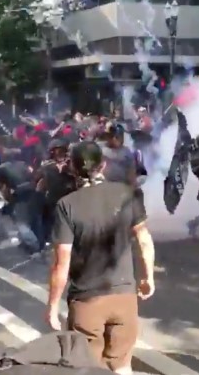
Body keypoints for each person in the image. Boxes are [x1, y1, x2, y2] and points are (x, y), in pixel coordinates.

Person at [46, 141, 155, 374]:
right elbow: (144, 239)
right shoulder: (128, 193)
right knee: (123, 366)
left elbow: (61, 264)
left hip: (87, 301)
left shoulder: (66, 205)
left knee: (88, 367)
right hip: (124, 296)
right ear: (103, 165)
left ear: (73, 169)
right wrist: (148, 277)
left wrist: (52, 306)